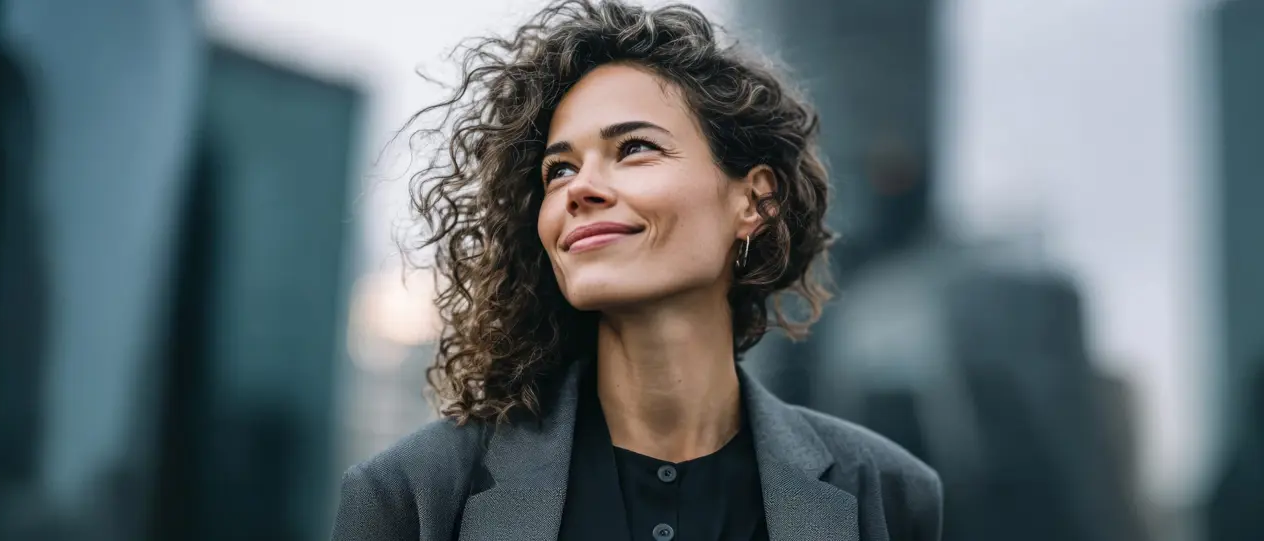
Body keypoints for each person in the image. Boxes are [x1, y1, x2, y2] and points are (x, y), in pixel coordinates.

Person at [332, 1, 942, 540]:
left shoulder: (888, 493)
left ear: (754, 201)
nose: (580, 189)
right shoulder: (412, 494)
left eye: (634, 148)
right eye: (559, 170)